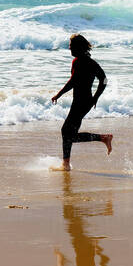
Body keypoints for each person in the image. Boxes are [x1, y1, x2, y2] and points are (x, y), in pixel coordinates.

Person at [50, 34, 112, 170]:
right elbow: (104, 79)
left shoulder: (78, 62)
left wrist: (58, 94)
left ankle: (66, 164)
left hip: (81, 102)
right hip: (85, 101)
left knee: (67, 132)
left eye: (71, 46)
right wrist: (95, 97)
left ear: (78, 47)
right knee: (69, 134)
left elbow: (73, 82)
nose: (69, 49)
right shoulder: (91, 62)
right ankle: (102, 139)